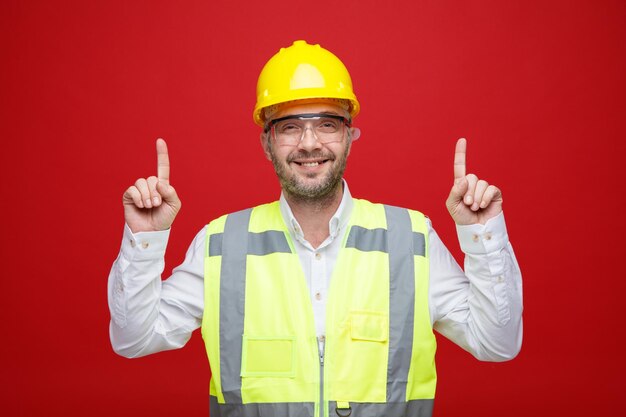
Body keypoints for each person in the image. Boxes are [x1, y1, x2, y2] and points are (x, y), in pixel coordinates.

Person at [108, 40, 523, 417]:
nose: (309, 143)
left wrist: (483, 237)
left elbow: (497, 344)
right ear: (267, 143)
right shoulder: (221, 244)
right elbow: (134, 339)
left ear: (349, 135)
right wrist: (146, 240)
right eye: (289, 126)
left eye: (327, 124)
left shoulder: (410, 239)